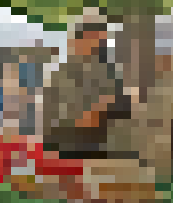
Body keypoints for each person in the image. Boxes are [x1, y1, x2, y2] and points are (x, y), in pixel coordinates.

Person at [42, 18, 126, 161]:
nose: (99, 45)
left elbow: (115, 102)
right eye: (94, 40)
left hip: (97, 142)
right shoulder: (66, 71)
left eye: (101, 40)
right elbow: (59, 115)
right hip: (70, 145)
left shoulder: (105, 69)